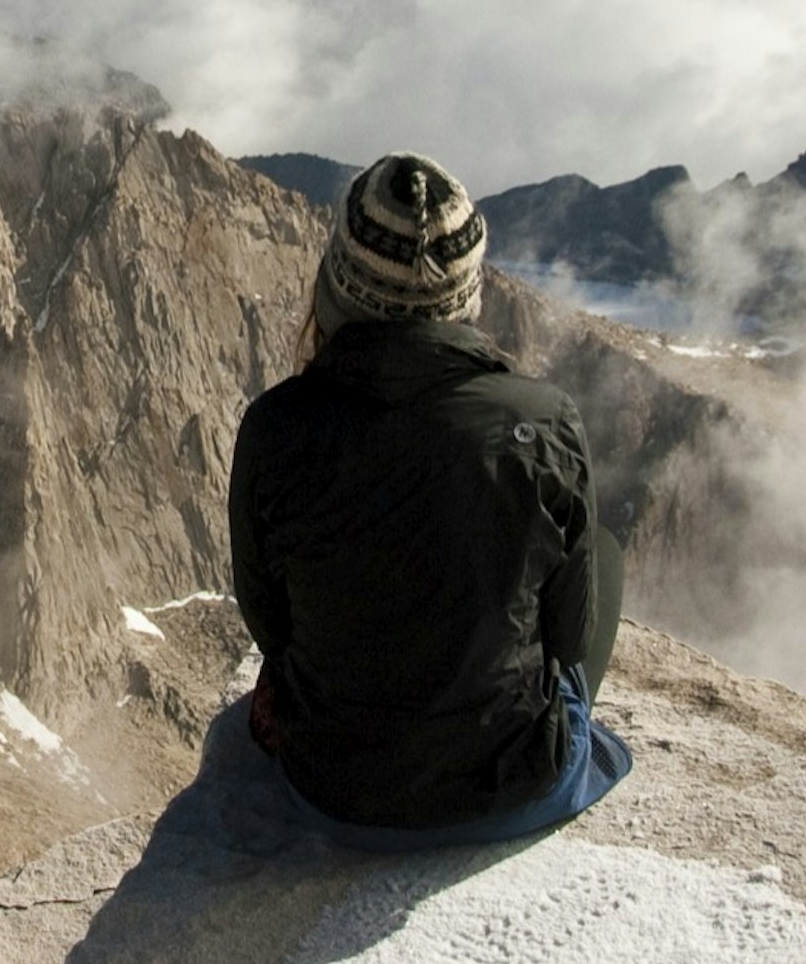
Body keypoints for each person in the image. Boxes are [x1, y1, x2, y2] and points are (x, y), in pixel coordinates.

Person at [228, 152, 628, 849]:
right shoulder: (546, 419)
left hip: (334, 794)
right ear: (467, 295)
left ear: (338, 288)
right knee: (606, 555)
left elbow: (272, 627)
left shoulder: (275, 427)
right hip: (514, 791)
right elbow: (566, 640)